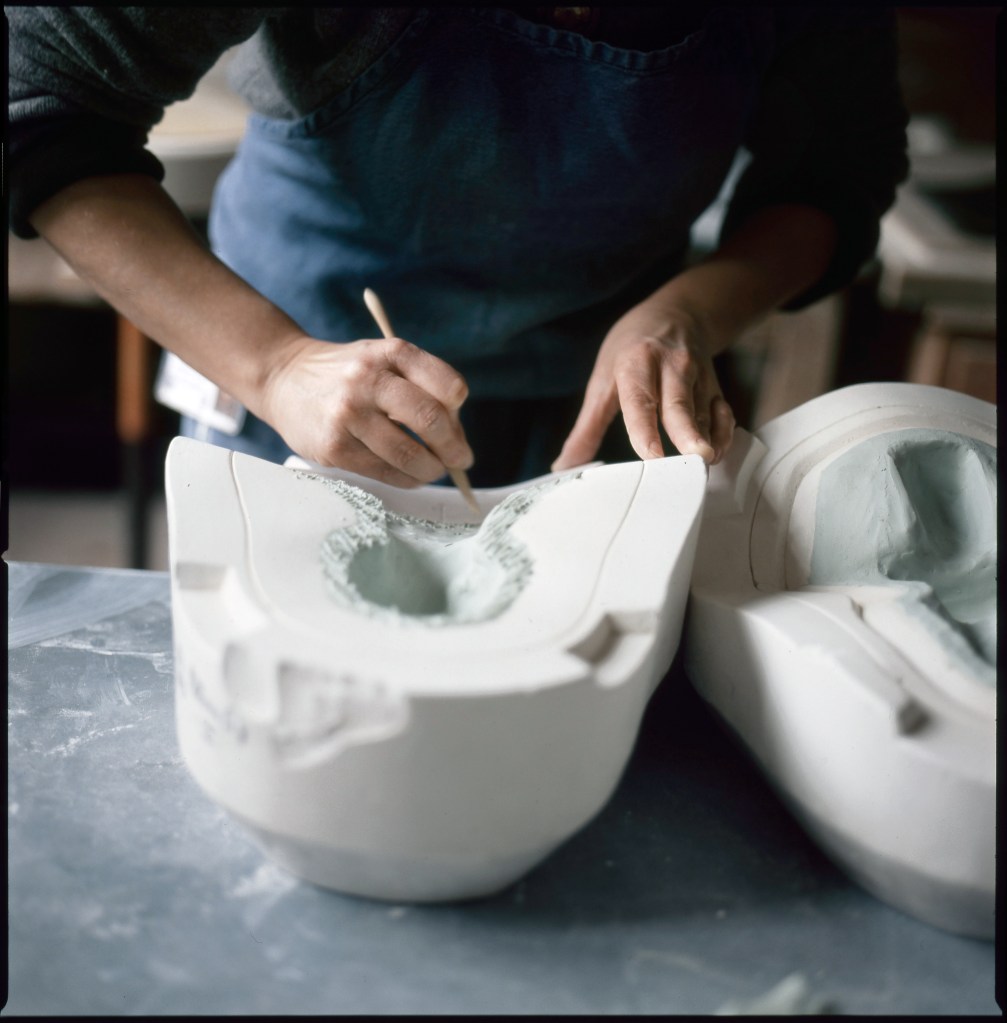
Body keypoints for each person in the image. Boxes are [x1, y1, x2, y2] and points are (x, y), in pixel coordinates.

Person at [7, 6, 909, 487]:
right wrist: (277, 365)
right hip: (288, 385)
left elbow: (836, 171)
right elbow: (37, 99)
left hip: (593, 411)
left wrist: (690, 312)